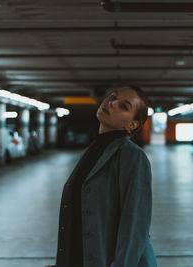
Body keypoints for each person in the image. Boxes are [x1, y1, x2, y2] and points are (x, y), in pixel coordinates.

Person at [45, 86, 157, 267]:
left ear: (132, 124)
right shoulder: (90, 152)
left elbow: (135, 225)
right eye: (113, 97)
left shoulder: (132, 156)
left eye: (124, 106)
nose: (111, 103)